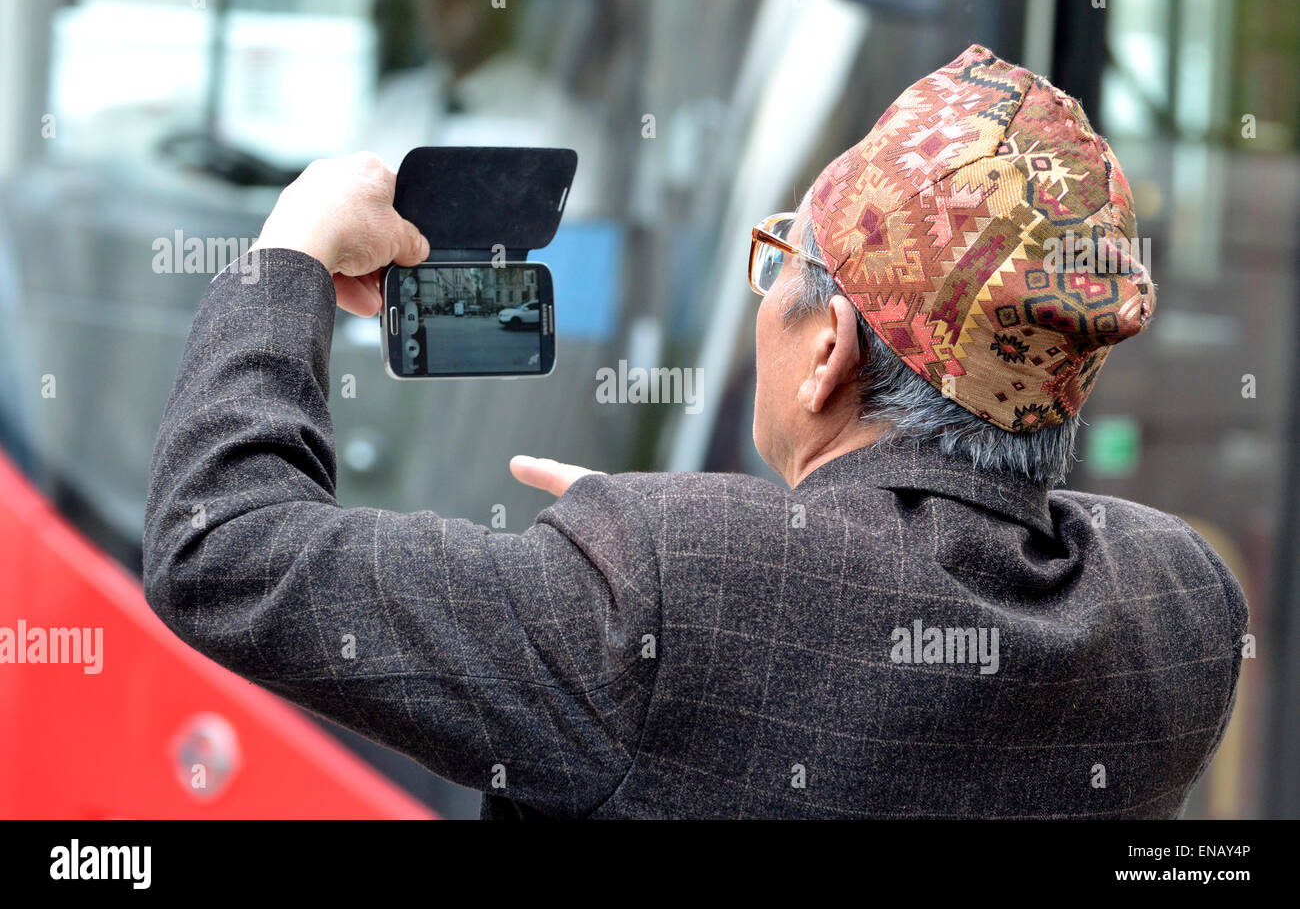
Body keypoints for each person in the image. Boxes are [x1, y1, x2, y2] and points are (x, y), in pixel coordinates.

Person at [143, 45, 1247, 819]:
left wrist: (286, 254)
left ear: (828, 352)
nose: (766, 298)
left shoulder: (659, 598)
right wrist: (649, 548)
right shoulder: (1181, 608)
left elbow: (220, 547)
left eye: (782, 264)